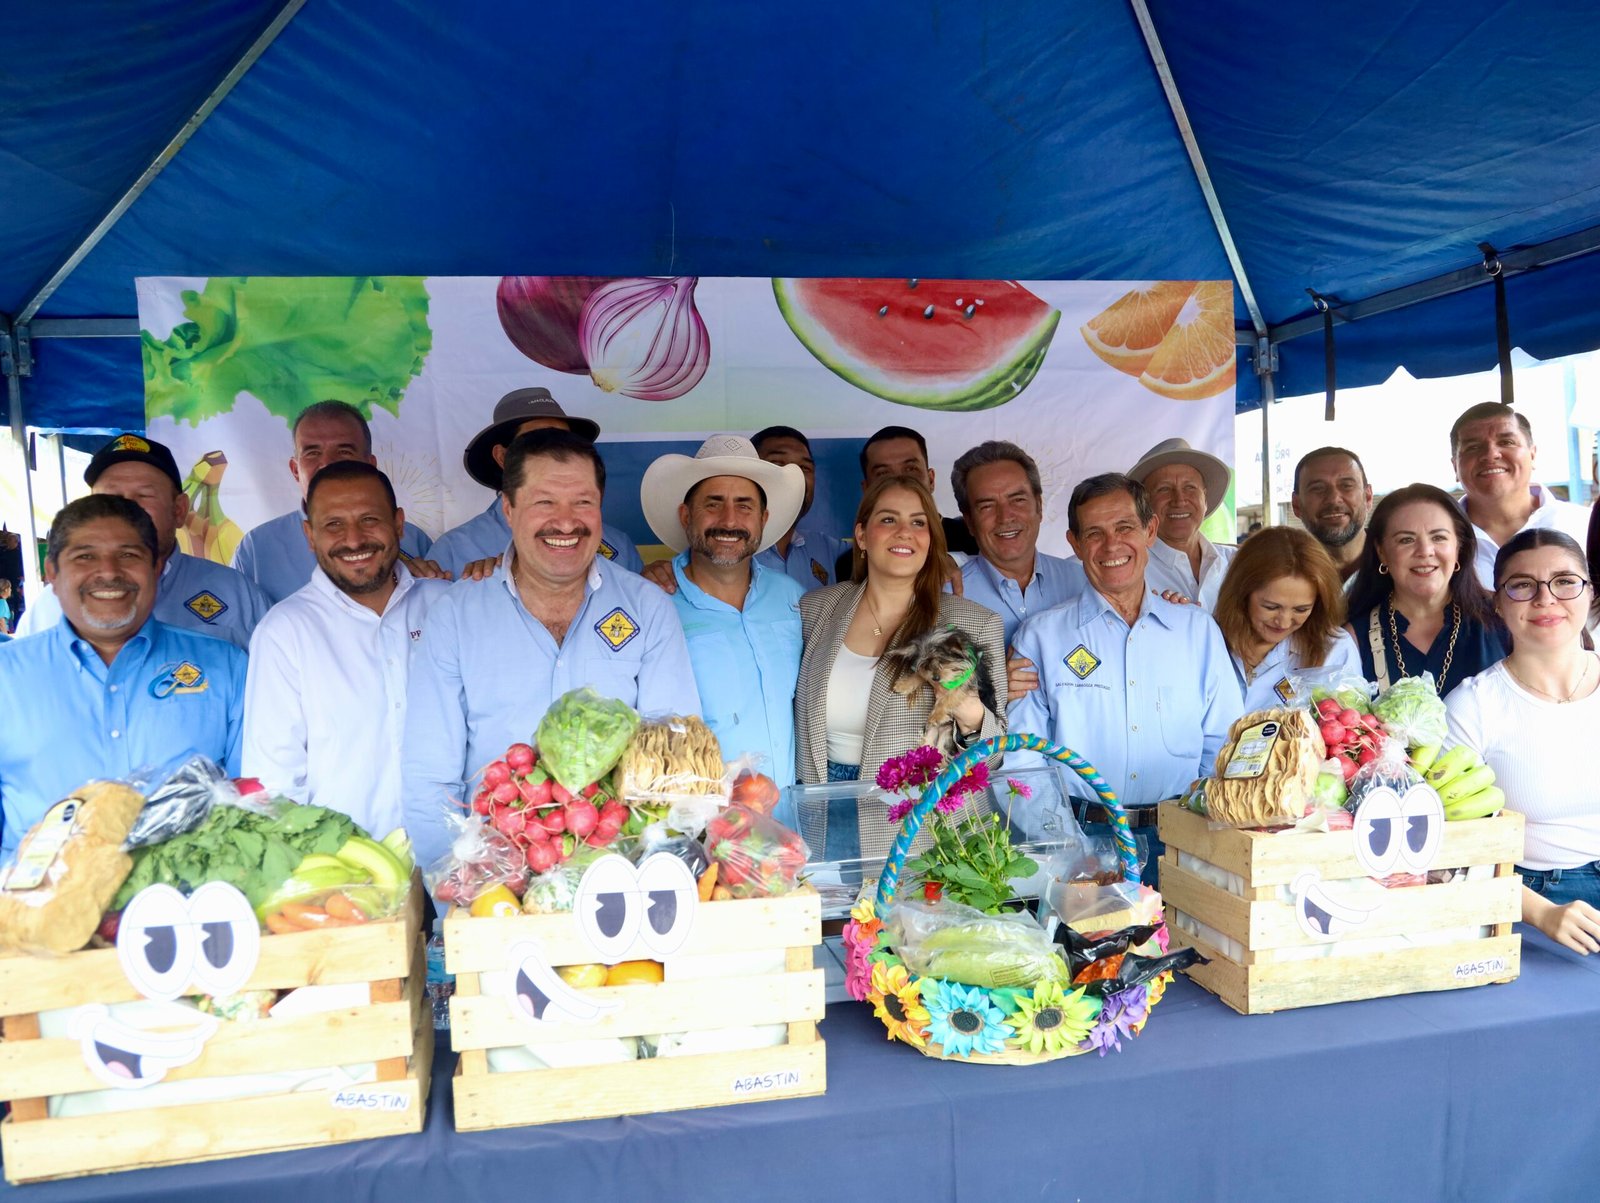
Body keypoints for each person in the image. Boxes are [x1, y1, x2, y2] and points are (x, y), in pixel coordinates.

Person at [402, 430, 699, 873]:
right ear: (508, 509)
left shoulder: (647, 607)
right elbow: (430, 779)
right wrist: (460, 888)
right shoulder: (456, 615)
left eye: (582, 502)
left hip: (622, 876)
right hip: (497, 881)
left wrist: (659, 871)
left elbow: (674, 757)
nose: (566, 522)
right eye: (544, 502)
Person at [1007, 473, 1242, 877]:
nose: (1112, 545)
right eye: (1094, 534)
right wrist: (1069, 851)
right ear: (1075, 544)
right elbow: (1022, 760)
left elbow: (1224, 744)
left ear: (1150, 531)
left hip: (1182, 841)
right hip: (1080, 841)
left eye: (1125, 527)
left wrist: (1204, 834)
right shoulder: (1041, 637)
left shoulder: (1197, 630)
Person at [0, 496, 245, 861]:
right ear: (52, 572)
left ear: (156, 566)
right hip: (37, 908)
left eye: (128, 555)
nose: (109, 572)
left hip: (189, 905)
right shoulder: (7, 674)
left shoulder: (226, 666)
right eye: (85, 556)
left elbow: (253, 796)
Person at [242, 463, 450, 836]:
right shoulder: (284, 632)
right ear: (310, 534)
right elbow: (274, 787)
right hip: (349, 874)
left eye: (370, 519)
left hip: (462, 863)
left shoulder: (447, 607)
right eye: (334, 524)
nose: (354, 540)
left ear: (398, 523)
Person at [1445, 530, 1600, 955]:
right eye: (1522, 585)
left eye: (1565, 581)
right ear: (1498, 601)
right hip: (1536, 899)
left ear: (1590, 591)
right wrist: (1541, 913)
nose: (1545, 599)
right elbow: (1448, 847)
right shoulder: (1472, 706)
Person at [640, 435, 807, 785]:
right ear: (686, 515)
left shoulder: (792, 597)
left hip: (793, 826)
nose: (729, 521)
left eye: (744, 506)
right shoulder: (653, 606)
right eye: (713, 504)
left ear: (763, 518)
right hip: (702, 828)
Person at [16, 435, 270, 650]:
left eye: (144, 495)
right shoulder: (49, 607)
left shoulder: (236, 595)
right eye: (110, 497)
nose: (126, 508)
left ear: (179, 510)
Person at [232, 400, 437, 604]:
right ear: (296, 470)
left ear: (370, 465)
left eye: (344, 451)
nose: (328, 463)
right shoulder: (256, 550)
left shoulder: (413, 539)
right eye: (312, 453)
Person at [429, 388, 641, 578]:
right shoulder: (453, 550)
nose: (555, 453)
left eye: (563, 441)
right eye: (536, 443)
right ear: (502, 456)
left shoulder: (619, 546)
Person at [950, 440, 1086, 702]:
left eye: (1018, 499)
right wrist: (986, 689)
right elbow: (921, 703)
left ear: (1039, 506)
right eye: (987, 506)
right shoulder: (946, 598)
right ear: (969, 521)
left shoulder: (1084, 583)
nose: (1005, 517)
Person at [1345, 483, 1505, 698]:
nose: (1425, 551)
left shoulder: (1503, 616)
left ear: (1459, 547)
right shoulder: (1352, 638)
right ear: (1381, 552)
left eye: (1438, 537)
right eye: (1406, 540)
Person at [1213, 527, 1361, 713]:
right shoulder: (1206, 638)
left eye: (1301, 610)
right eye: (1271, 607)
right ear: (1242, 594)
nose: (1283, 622)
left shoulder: (1334, 649)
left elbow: (1349, 730)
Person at [1451, 402, 1590, 590]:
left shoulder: (1586, 525)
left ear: (1532, 455)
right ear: (1455, 467)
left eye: (1506, 442)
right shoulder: (1438, 539)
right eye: (1473, 447)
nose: (1491, 454)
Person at [832, 425, 980, 581]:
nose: (900, 481)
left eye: (911, 469)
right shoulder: (849, 565)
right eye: (883, 474)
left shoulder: (973, 537)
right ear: (867, 488)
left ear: (931, 479)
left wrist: (957, 561)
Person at [1128, 437, 1236, 612]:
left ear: (1205, 499)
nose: (1179, 500)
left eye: (1190, 488)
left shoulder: (1237, 562)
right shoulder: (1127, 570)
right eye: (1164, 489)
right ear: (1144, 504)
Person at [750, 425, 846, 590]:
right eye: (778, 463)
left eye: (804, 468)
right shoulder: (728, 547)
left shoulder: (830, 550)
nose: (795, 477)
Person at [1291, 446, 1373, 583]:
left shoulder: (1400, 564)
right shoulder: (1281, 572)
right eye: (1318, 488)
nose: (1334, 499)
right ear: (1296, 505)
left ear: (1368, 497)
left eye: (1346, 485)